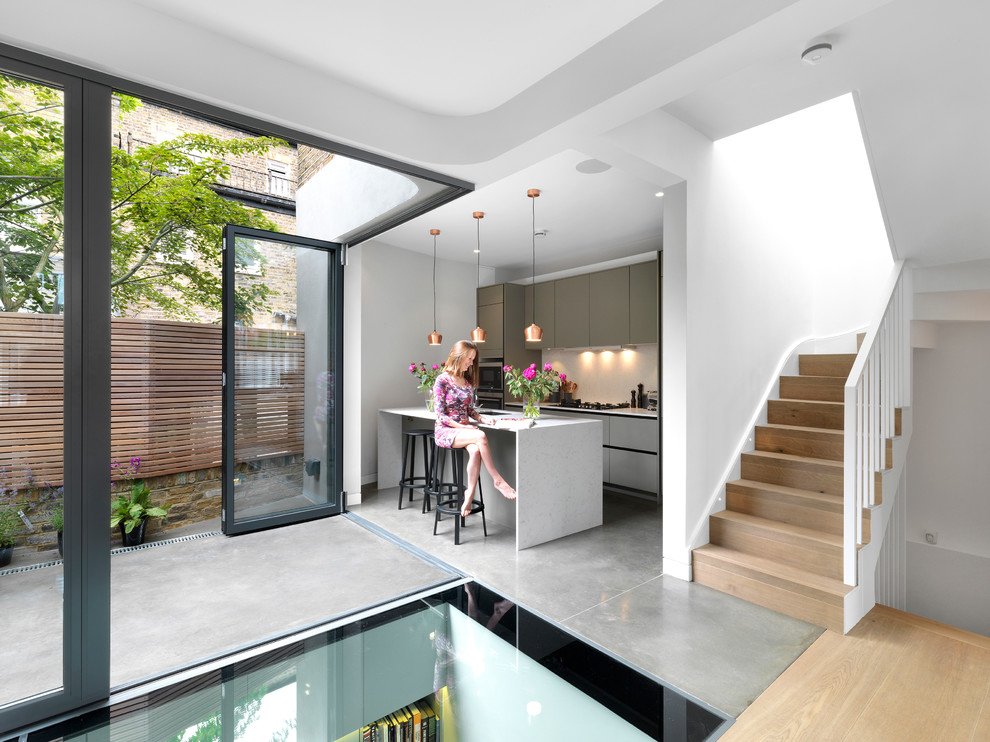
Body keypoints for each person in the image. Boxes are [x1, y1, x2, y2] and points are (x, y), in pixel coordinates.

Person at [433, 340, 516, 517]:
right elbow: (440, 415)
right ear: (458, 357)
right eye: (469, 358)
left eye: (473, 359)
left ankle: (469, 493)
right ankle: (498, 480)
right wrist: (467, 428)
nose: (471, 363)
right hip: (446, 430)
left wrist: (482, 419)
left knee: (477, 451)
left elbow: (470, 410)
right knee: (480, 437)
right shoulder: (442, 380)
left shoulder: (468, 382)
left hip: (464, 431)